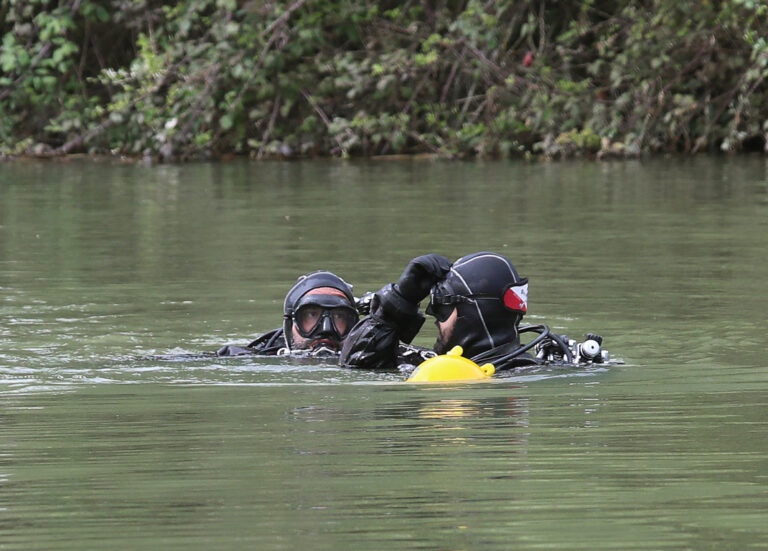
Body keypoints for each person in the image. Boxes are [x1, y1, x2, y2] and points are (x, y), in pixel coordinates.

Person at [339, 252, 606, 372]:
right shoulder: (544, 368)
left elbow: (354, 367)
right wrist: (399, 300)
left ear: (473, 312)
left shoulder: (438, 374)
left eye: (441, 306)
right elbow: (356, 362)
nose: (435, 318)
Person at [217, 270, 360, 357]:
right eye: (311, 314)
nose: (326, 329)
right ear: (290, 323)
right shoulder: (255, 358)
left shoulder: (365, 354)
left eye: (339, 316)